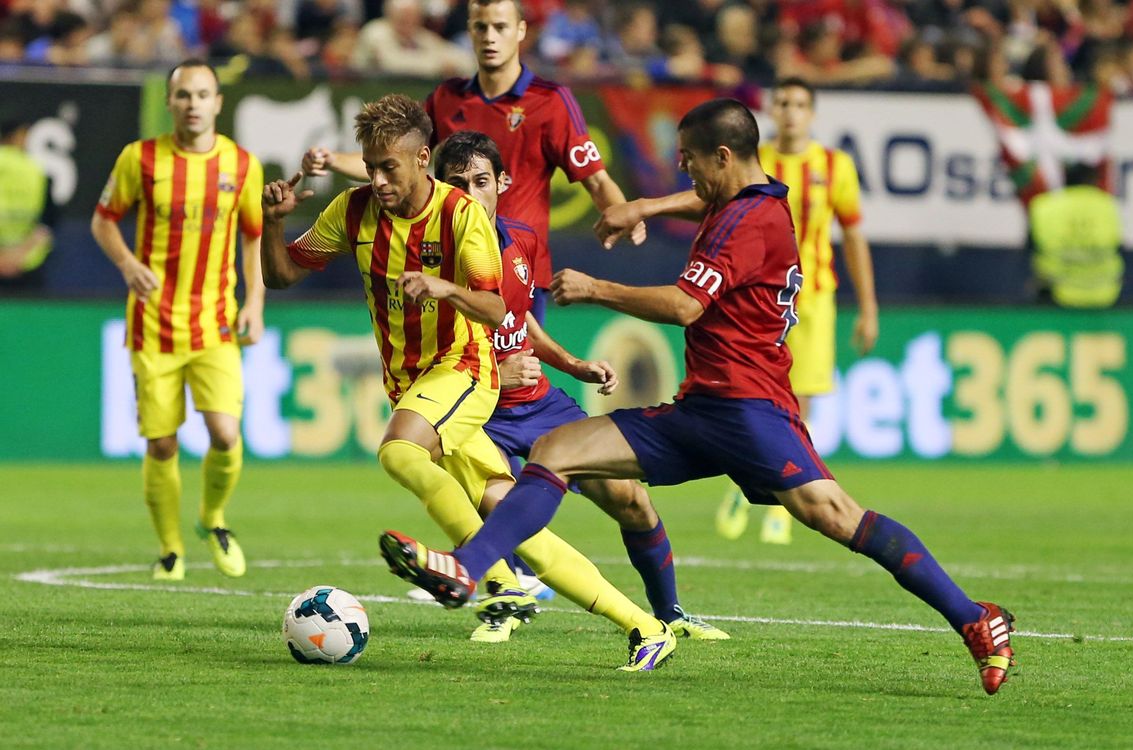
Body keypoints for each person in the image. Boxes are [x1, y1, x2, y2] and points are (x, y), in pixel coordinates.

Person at [380, 98, 1017, 696]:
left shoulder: (746, 221)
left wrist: (599, 288)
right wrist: (645, 208)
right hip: (701, 409)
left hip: (751, 412)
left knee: (836, 516)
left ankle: (973, 617)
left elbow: (686, 306)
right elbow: (701, 201)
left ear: (722, 157)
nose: (681, 166)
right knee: (558, 448)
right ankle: (471, 570)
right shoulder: (755, 199)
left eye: (688, 157)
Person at [261, 94, 676, 668]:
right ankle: (644, 625)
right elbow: (282, 275)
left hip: (464, 368)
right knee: (513, 521)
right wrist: (273, 224)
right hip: (412, 383)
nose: (378, 180)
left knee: (399, 452)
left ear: (422, 157)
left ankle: (496, 584)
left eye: (390, 167)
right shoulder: (352, 212)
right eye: (371, 166)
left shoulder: (461, 216)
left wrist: (444, 288)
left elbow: (491, 303)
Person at [433, 129, 728, 642]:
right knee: (503, 508)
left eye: (480, 181)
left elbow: (519, 321)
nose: (469, 195)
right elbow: (418, 353)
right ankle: (504, 604)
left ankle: (671, 614)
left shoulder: (521, 240)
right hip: (474, 412)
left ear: (502, 182)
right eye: (455, 184)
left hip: (537, 403)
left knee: (630, 498)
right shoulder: (427, 259)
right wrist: (492, 375)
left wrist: (571, 364)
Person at [302, 0, 645, 324]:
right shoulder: (447, 98)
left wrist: (624, 213)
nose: (490, 37)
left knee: (515, 379)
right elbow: (396, 163)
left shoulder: (550, 101)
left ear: (521, 30)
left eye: (500, 27)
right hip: (451, 269)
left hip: (517, 267)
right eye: (481, 28)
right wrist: (332, 159)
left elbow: (596, 180)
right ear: (469, 31)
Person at [91, 59, 265, 581]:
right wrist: (127, 264)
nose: (193, 104)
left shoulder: (242, 164)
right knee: (162, 442)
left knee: (225, 434)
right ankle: (170, 550)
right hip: (153, 324)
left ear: (218, 103)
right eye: (183, 95)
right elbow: (104, 221)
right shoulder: (140, 159)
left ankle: (213, 519)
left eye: (202, 94)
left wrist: (255, 302)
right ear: (169, 103)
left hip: (215, 321)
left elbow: (255, 235)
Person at [715, 77, 879, 546]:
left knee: (799, 399)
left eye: (799, 104)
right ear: (771, 108)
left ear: (812, 113)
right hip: (757, 295)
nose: (790, 111)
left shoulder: (834, 165)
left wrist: (868, 307)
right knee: (752, 391)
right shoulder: (755, 160)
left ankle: (783, 496)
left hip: (813, 297)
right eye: (782, 102)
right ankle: (750, 483)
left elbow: (853, 236)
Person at [1028, 162, 1123, 308]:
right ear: (1094, 181)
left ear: (1065, 180)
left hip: (1054, 292)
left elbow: (1031, 246)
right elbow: (1118, 246)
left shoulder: (1044, 205)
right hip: (1105, 291)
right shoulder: (1107, 205)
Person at [0, 117, 54, 290]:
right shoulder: (36, 171)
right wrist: (17, 256)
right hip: (27, 264)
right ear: (18, 136)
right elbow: (49, 221)